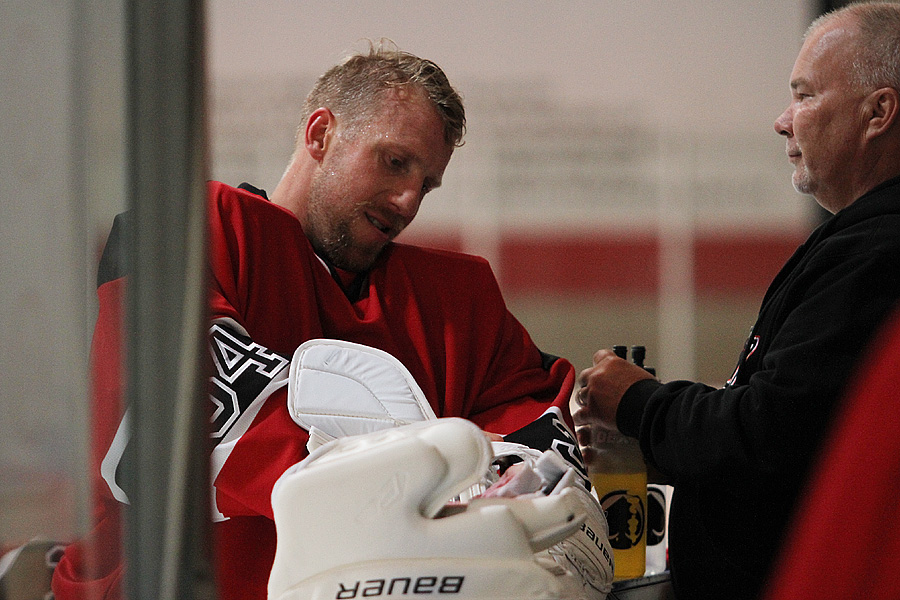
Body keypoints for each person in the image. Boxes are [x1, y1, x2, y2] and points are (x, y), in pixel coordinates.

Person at [52, 43, 584, 599]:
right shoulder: (188, 227)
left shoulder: (457, 301)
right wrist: (393, 472)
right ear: (320, 135)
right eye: (394, 161)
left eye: (426, 185)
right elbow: (157, 428)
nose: (407, 201)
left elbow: (538, 432)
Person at [572, 3, 900, 599]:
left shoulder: (878, 253)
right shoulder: (859, 240)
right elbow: (799, 446)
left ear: (878, 112)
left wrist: (640, 404)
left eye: (803, 96)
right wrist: (655, 445)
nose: (783, 121)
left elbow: (764, 438)